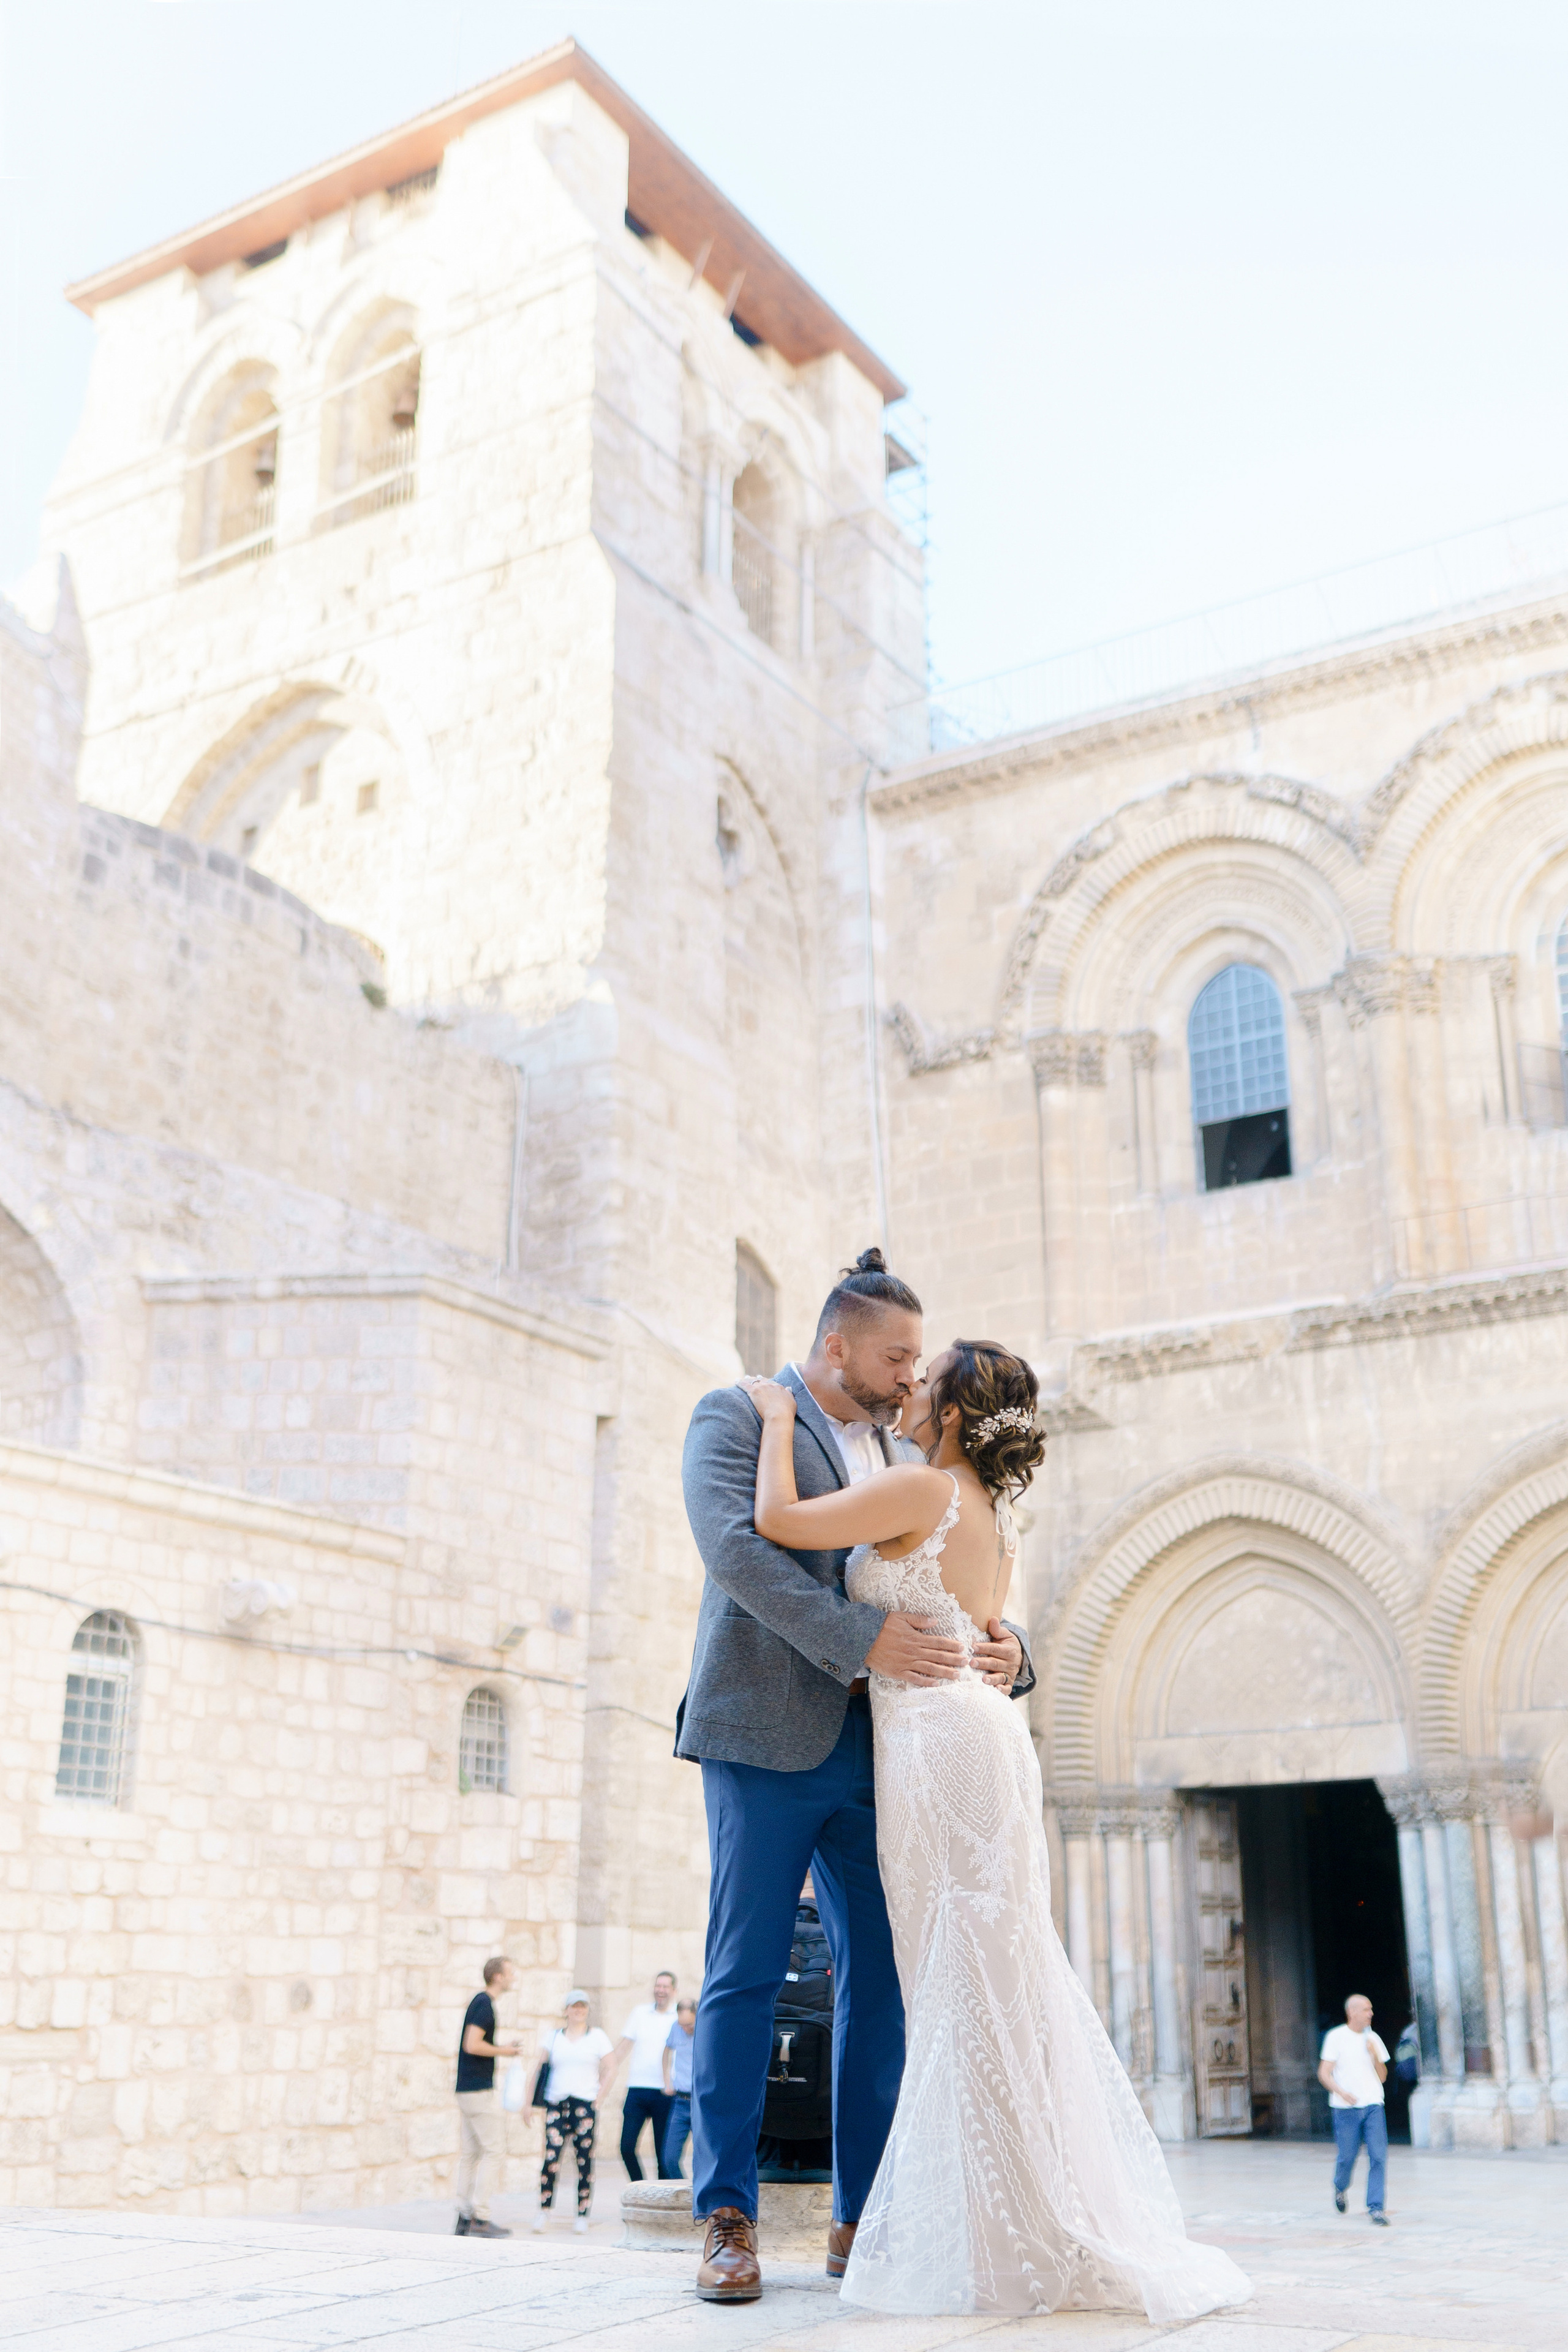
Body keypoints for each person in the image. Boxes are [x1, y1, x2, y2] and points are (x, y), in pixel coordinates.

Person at [739, 1338, 1253, 2321]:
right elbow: (992, 1630)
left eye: (925, 1384)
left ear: (958, 1415)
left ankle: (1001, 2225)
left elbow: (775, 1520)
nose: (910, 1391)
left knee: (959, 1975)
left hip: (938, 1747)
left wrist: (772, 1416)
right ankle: (1020, 2213)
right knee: (994, 1973)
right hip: (983, 1740)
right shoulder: (996, 1516)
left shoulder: (923, 1493)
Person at [677, 1251, 1036, 2304]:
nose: (910, 1373)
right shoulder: (738, 1416)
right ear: (836, 1345)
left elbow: (963, 1568)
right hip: (765, 1736)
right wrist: (861, 1639)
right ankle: (726, 2216)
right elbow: (737, 1552)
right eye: (895, 1355)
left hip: (894, 1753)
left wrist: (1010, 1647)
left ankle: (862, 2213)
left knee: (881, 1976)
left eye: (918, 1360)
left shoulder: (907, 1446)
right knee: (743, 1970)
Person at [533, 1991, 612, 2233]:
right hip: (558, 2104)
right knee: (551, 2159)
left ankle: (582, 2214)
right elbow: (538, 2068)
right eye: (574, 2006)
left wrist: (599, 2098)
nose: (578, 2010)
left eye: (582, 2006)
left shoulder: (597, 2037)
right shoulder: (554, 2037)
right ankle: (544, 2211)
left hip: (584, 2105)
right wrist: (529, 2103)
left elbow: (611, 2067)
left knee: (584, 2161)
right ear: (566, 2010)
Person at [453, 1955, 520, 2237]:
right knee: (494, 2151)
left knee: (470, 2154)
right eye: (510, 1973)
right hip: (479, 2091)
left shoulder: (479, 2002)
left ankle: (464, 2216)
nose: (513, 1978)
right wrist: (505, 2050)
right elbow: (472, 2044)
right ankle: (481, 2217)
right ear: (498, 1977)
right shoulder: (485, 2005)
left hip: (466, 2090)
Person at [1319, 1993, 1391, 2225]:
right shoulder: (1336, 2037)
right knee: (1347, 2157)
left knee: (1379, 2157)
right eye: (1366, 2010)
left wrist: (1375, 2058)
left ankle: (1376, 2208)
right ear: (1352, 2013)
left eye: (1371, 2009)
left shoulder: (1374, 2039)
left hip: (1373, 2105)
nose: (1371, 2014)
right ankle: (1340, 2187)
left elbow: (1383, 2078)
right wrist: (1341, 2092)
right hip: (1346, 2108)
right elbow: (1324, 2073)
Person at [610, 1970, 680, 2180]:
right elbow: (623, 2047)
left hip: (665, 2091)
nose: (660, 1991)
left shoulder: (679, 2016)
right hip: (637, 2089)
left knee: (663, 2156)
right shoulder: (640, 2013)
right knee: (626, 2147)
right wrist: (605, 2069)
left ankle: (663, 2203)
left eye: (665, 1987)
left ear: (674, 1990)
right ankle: (640, 2187)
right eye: (658, 1986)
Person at [662, 1997, 698, 2176]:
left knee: (702, 2158)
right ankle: (685, 2194)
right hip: (680, 2102)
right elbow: (666, 2052)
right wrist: (667, 2081)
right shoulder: (676, 2028)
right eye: (682, 2024)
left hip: (700, 2103)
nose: (685, 2029)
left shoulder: (705, 2031)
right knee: (669, 2158)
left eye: (689, 2024)